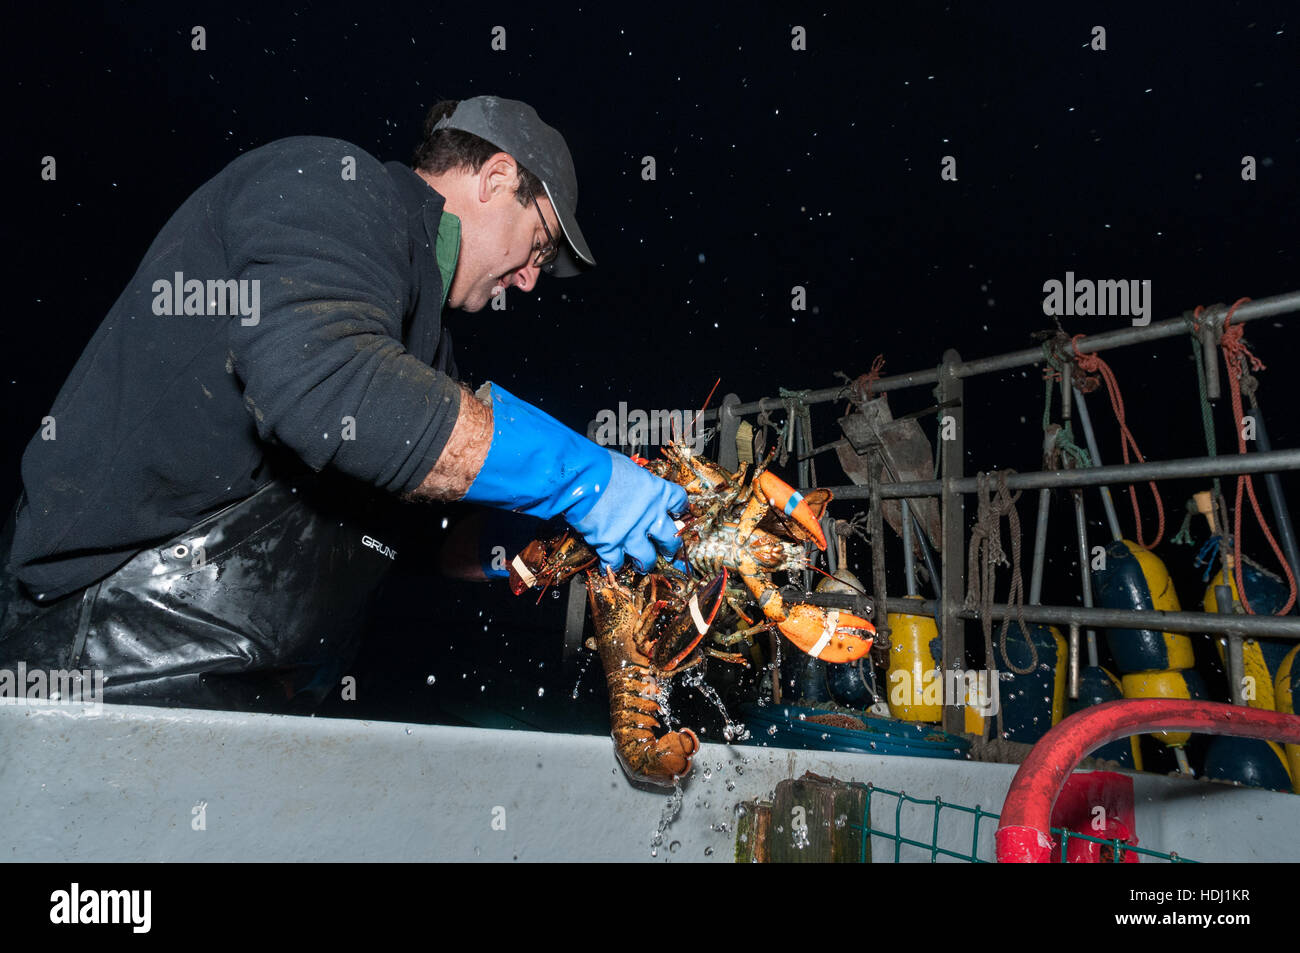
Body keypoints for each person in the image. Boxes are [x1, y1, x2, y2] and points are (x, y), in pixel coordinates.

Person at [0, 96, 686, 711]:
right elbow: (329, 386)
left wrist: (539, 547)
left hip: (257, 688)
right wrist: (585, 477)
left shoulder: (424, 346)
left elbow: (401, 531)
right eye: (537, 244)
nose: (532, 281)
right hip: (107, 654)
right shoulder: (334, 187)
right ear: (497, 177)